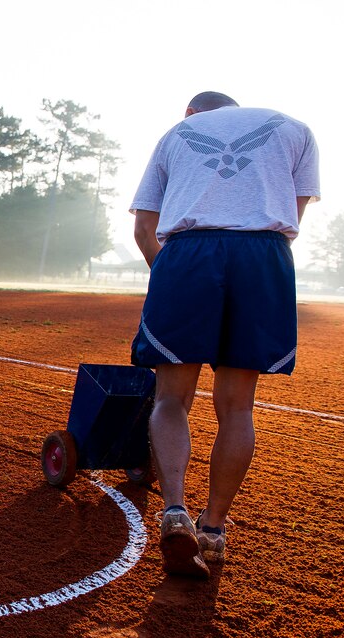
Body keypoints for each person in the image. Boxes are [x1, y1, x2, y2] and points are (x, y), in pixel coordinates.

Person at [130, 91, 320, 579]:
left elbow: (145, 227)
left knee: (172, 397)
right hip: (264, 255)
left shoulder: (176, 134)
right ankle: (213, 529)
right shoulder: (295, 128)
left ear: (194, 113)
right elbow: (293, 216)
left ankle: (173, 509)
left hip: (190, 252)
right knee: (237, 405)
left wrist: (168, 276)